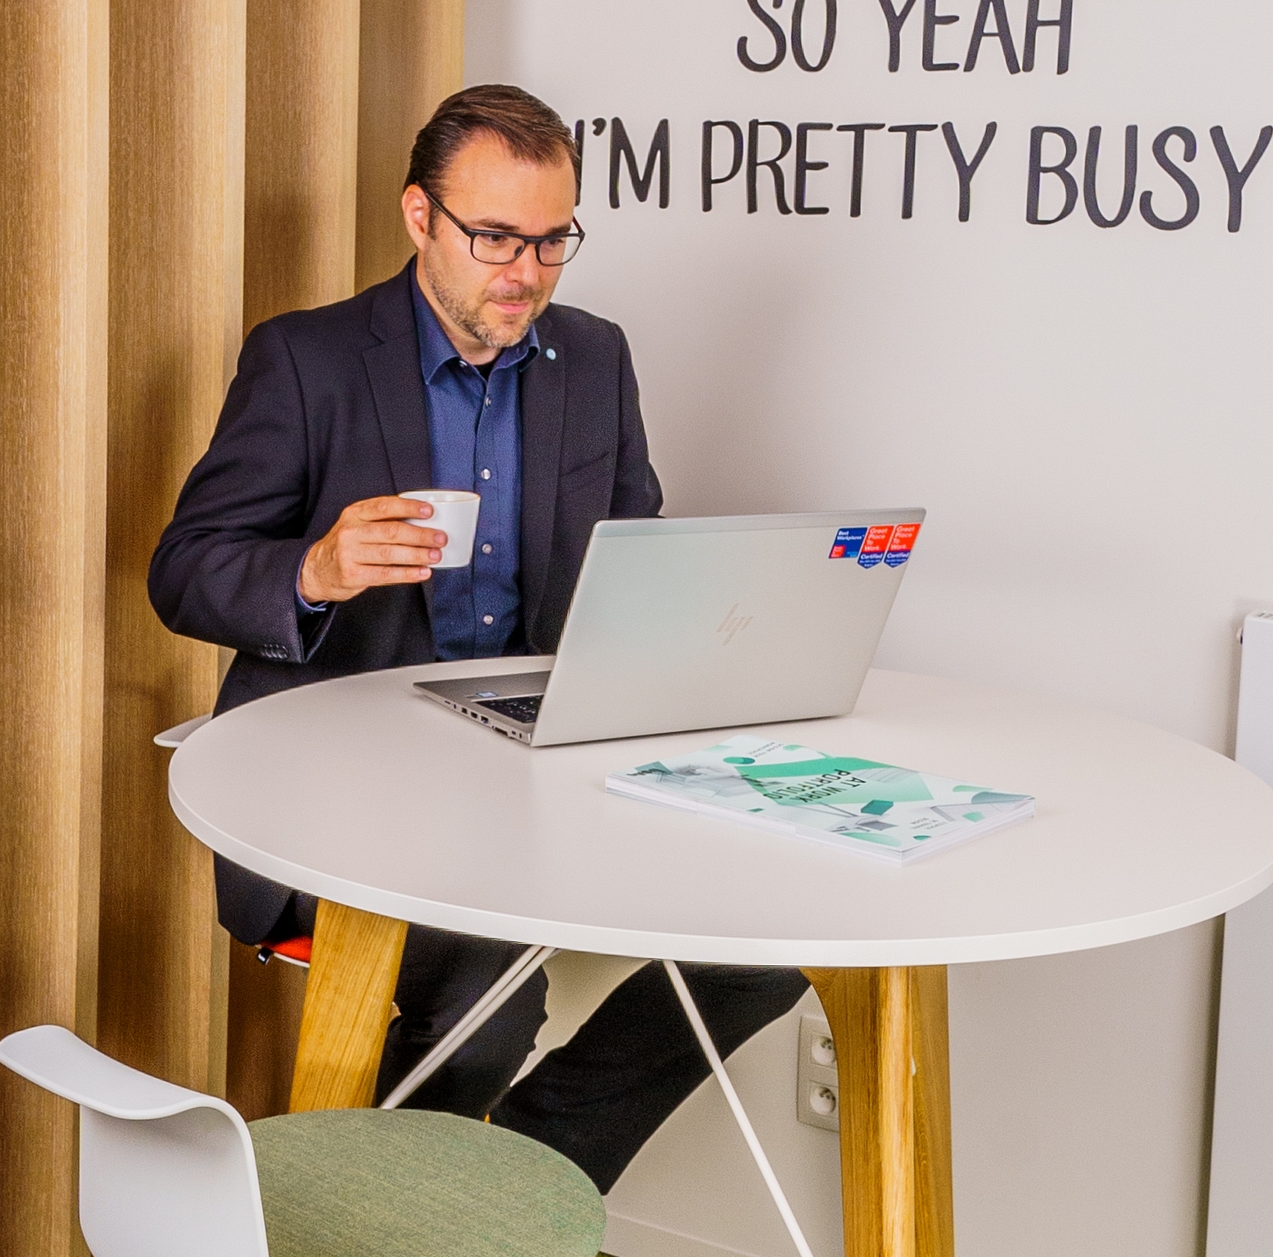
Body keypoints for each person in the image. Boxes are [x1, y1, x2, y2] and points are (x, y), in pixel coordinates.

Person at [148, 79, 805, 1200]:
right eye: (496, 237)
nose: (527, 272)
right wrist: (313, 569)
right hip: (348, 780)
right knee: (486, 1010)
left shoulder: (594, 359)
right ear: (419, 217)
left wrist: (702, 623)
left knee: (767, 950)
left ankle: (519, 1193)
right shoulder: (306, 360)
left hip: (536, 762)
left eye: (554, 242)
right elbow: (186, 569)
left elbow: (628, 554)